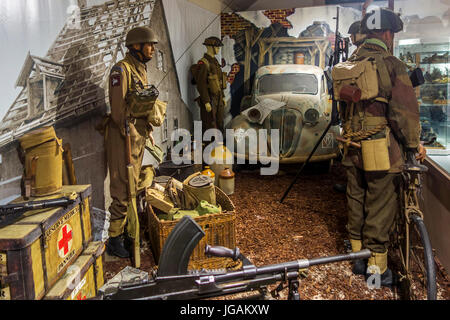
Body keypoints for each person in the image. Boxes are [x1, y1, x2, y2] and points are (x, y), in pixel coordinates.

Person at [338, 8, 426, 286]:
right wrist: (413, 146)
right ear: (387, 34)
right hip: (381, 151)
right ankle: (376, 273)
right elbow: (404, 115)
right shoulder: (392, 64)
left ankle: (357, 259)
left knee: (356, 199)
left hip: (351, 144)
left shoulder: (348, 64)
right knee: (380, 206)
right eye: (393, 35)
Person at [105, 27, 158, 258]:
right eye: (149, 44)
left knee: (134, 186)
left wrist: (148, 128)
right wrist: (129, 129)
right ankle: (114, 239)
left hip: (136, 135)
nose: (152, 49)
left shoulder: (140, 69)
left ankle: (129, 233)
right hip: (122, 137)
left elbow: (142, 104)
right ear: (135, 46)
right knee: (122, 187)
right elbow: (118, 112)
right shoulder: (121, 70)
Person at [334, 20, 367, 194]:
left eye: (353, 35)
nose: (351, 38)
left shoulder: (360, 58)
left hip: (360, 119)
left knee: (358, 175)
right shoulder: (357, 57)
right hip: (356, 120)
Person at [194, 36, 227, 134]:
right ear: (209, 47)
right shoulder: (203, 63)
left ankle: (219, 147)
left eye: (218, 47)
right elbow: (201, 84)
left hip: (218, 98)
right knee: (209, 125)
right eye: (216, 47)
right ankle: (209, 147)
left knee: (220, 123)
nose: (218, 49)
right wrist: (206, 101)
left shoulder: (215, 62)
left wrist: (223, 97)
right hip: (210, 98)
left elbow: (219, 82)